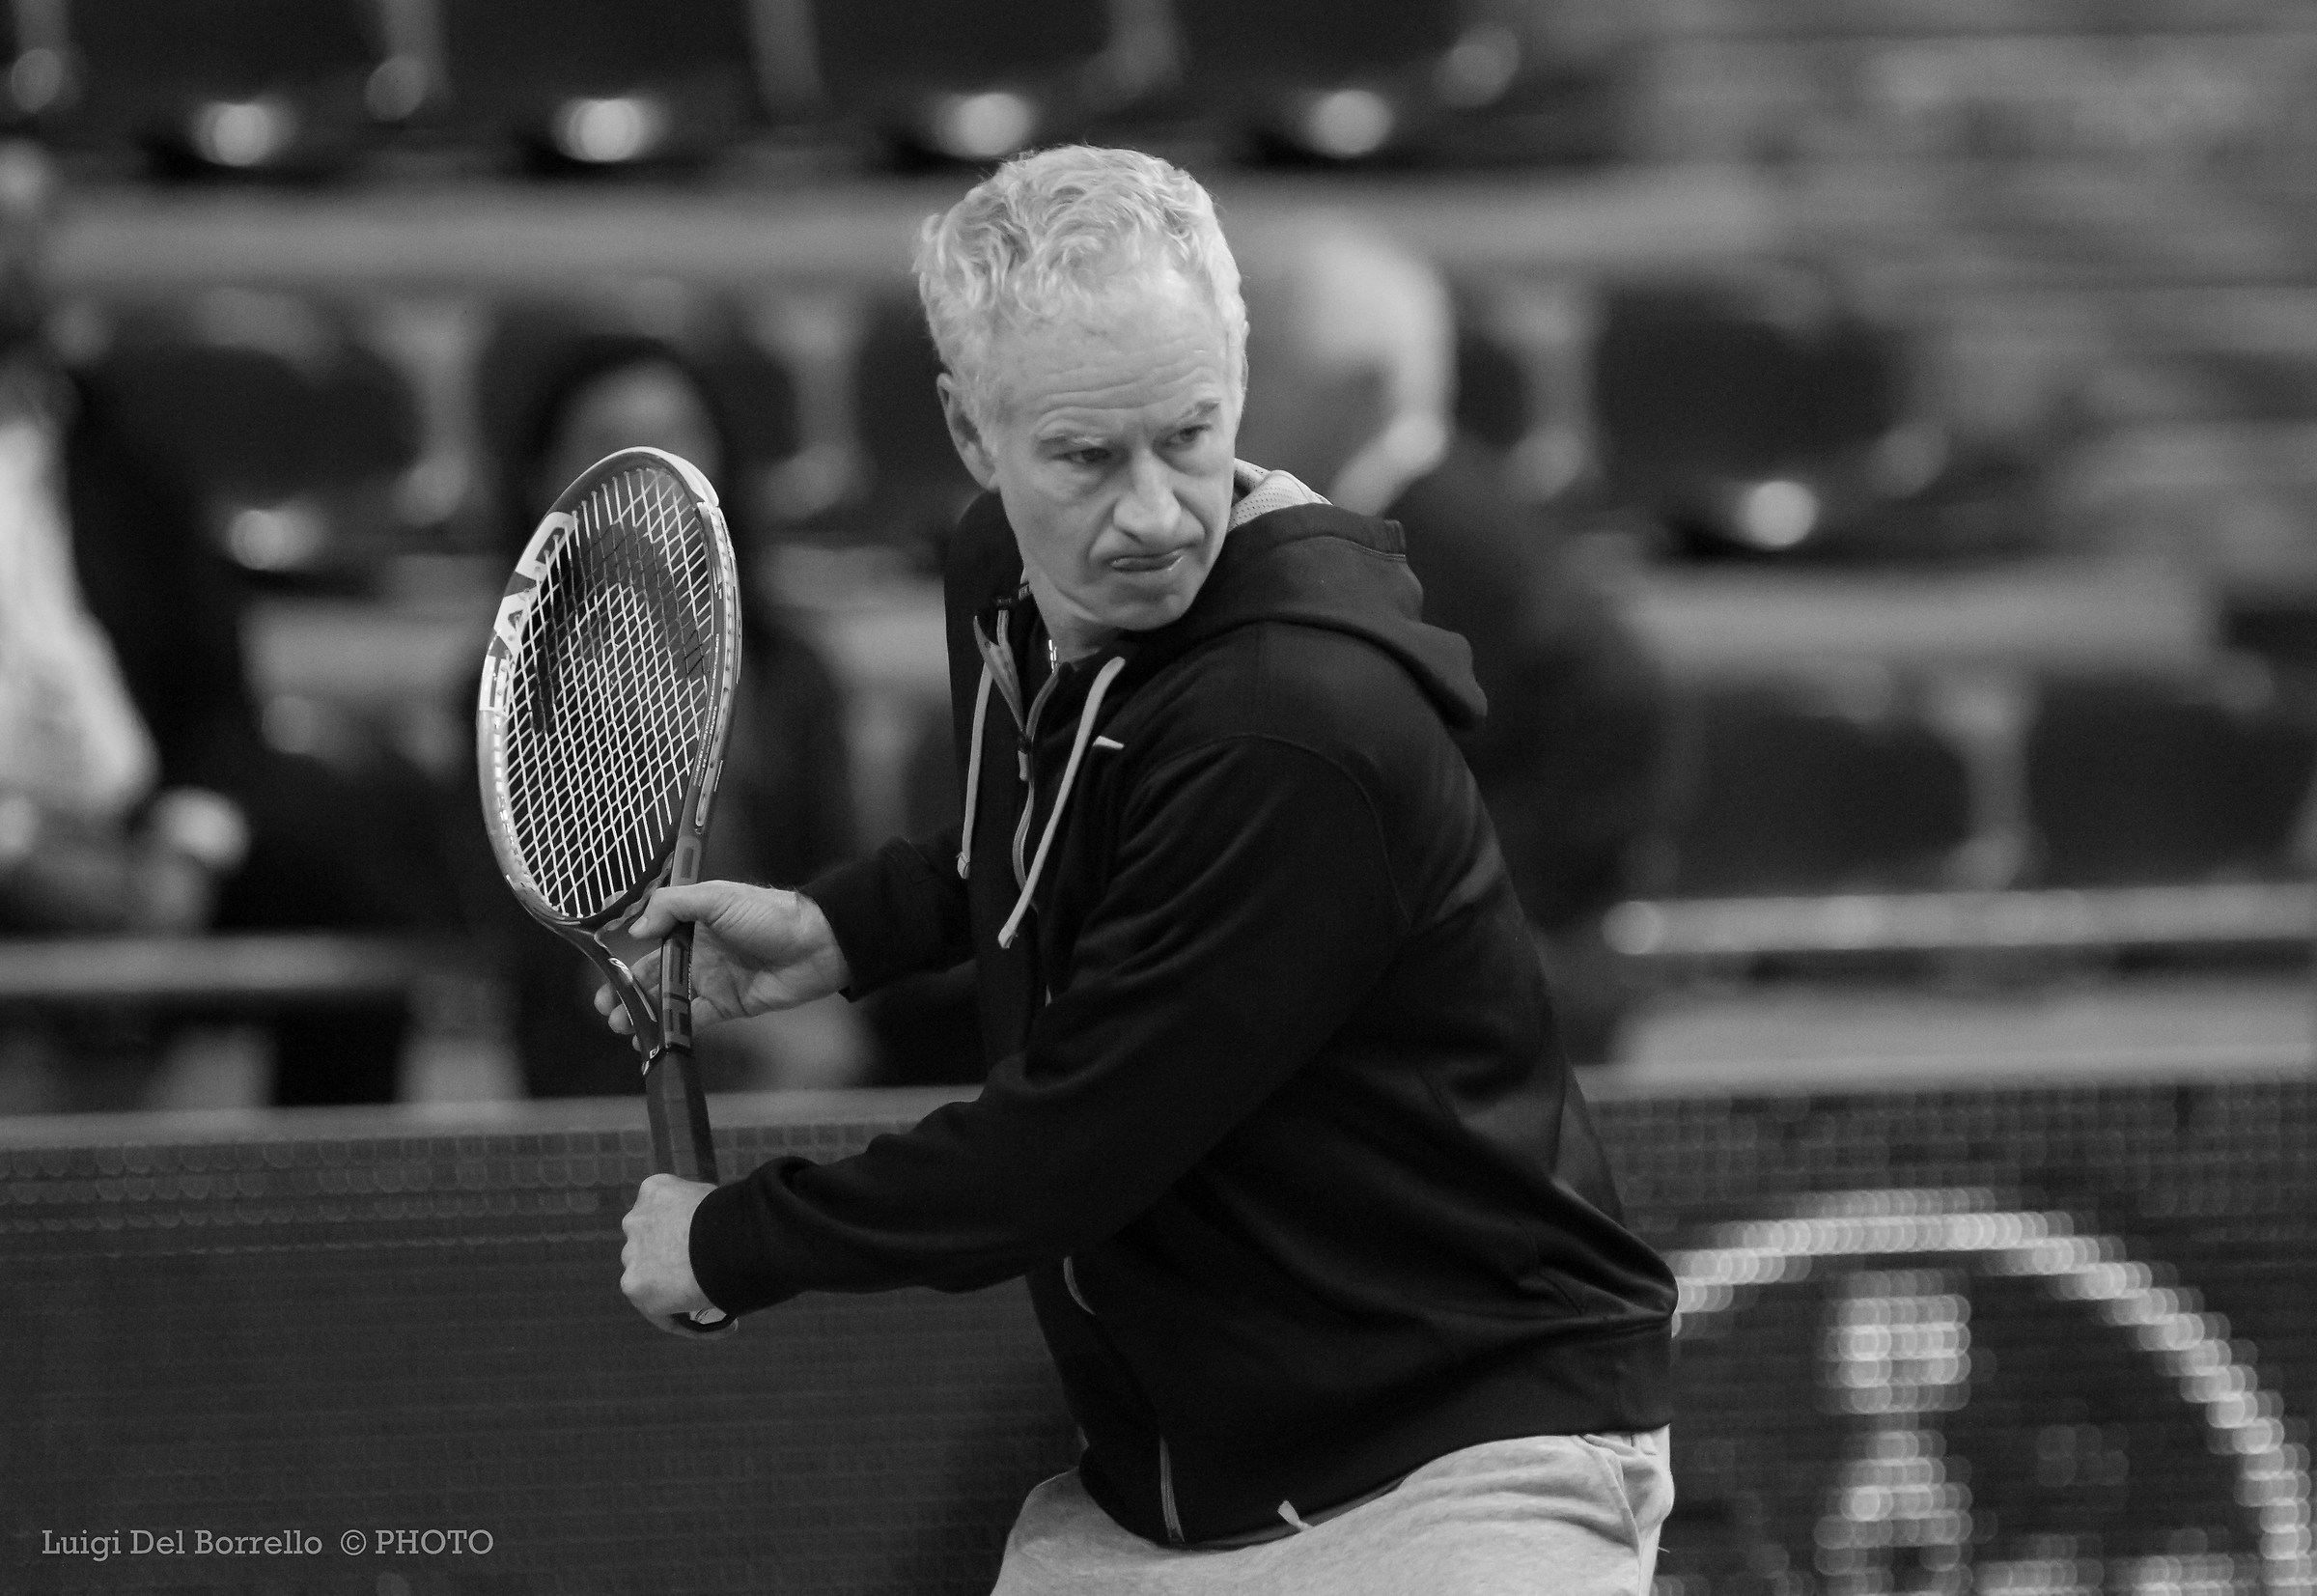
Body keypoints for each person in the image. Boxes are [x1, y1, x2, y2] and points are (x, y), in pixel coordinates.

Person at [606, 146, 1675, 1592]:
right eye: (1085, 458)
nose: (1157, 513)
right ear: (971, 435)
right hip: (1172, 1486)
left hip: (1460, 1464)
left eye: (1190, 435)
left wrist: (738, 1240)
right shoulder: (1003, 574)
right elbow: (1045, 829)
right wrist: (838, 927)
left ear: (1240, 383)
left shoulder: (1298, 728)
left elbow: (1072, 1143)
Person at [0, 139, 450, 1108]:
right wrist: (20, 848)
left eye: (28, 231)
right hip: (11, 847)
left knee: (352, 876)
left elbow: (215, 678)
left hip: (135, 840)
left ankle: (332, 1229)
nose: (13, 259)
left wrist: (184, 847)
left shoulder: (114, 454)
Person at [1234, 218, 1673, 1063]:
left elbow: (1622, 697)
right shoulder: (1382, 519)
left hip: (1485, 1023)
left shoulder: (1452, 535)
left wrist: (1467, 897)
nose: (1242, 402)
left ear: (1355, 386)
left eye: (1270, 371)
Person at [469, 332, 861, 1096]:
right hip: (600, 1039)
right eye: (610, 442)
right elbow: (534, 933)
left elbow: (832, 874)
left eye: (678, 436)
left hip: (791, 1026)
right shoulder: (500, 687)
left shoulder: (791, 670)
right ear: (545, 481)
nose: (650, 468)